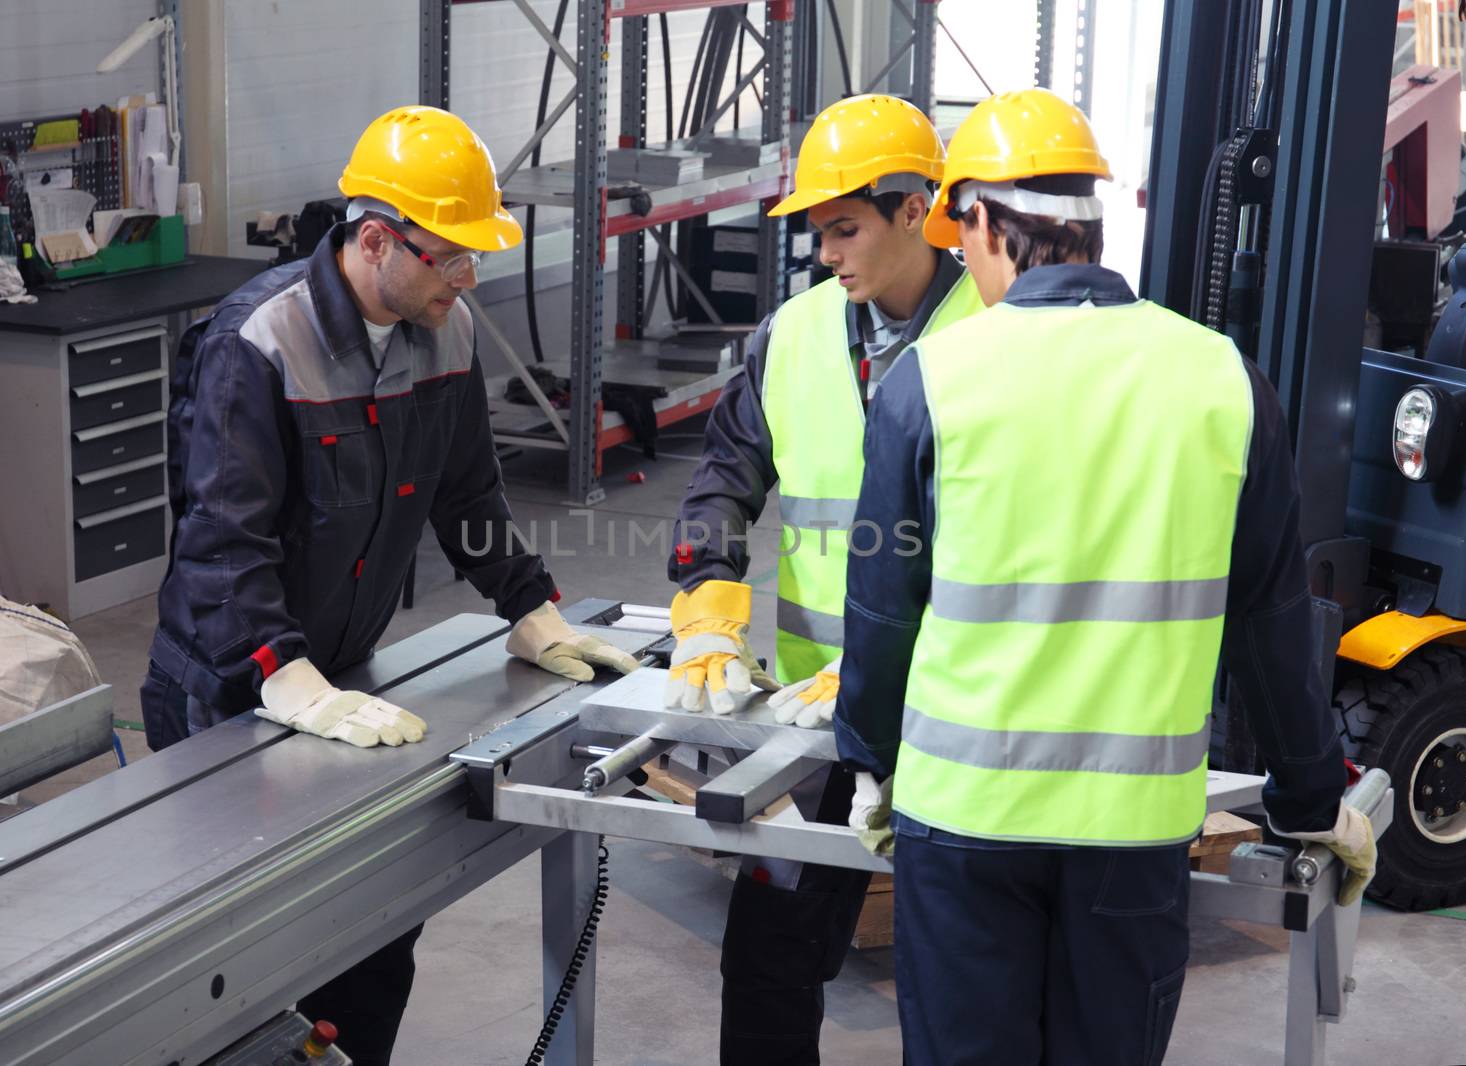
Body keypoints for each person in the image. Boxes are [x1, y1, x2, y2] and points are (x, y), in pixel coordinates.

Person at [833, 88, 1377, 1066]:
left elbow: (882, 609)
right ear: (1089, 223)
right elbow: (1269, 614)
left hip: (961, 829)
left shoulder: (931, 383)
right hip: (1131, 839)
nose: (965, 261)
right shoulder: (1221, 380)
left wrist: (868, 760)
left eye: (966, 240)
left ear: (990, 224)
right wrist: (1306, 797)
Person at [139, 105, 638, 1065]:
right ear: (378, 241)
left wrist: (530, 606)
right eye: (451, 256)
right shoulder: (260, 341)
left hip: (345, 680)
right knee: (255, 971)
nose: (470, 277)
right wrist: (283, 675)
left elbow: (467, 493)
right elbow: (222, 542)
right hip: (230, 691)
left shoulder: (440, 333)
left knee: (373, 938)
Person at [662, 94, 983, 1065]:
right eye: (816, 233)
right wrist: (708, 602)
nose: (827, 253)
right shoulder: (793, 336)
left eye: (844, 228)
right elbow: (722, 479)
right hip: (816, 720)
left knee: (961, 975)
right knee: (767, 959)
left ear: (914, 207)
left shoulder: (999, 336)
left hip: (955, 719)